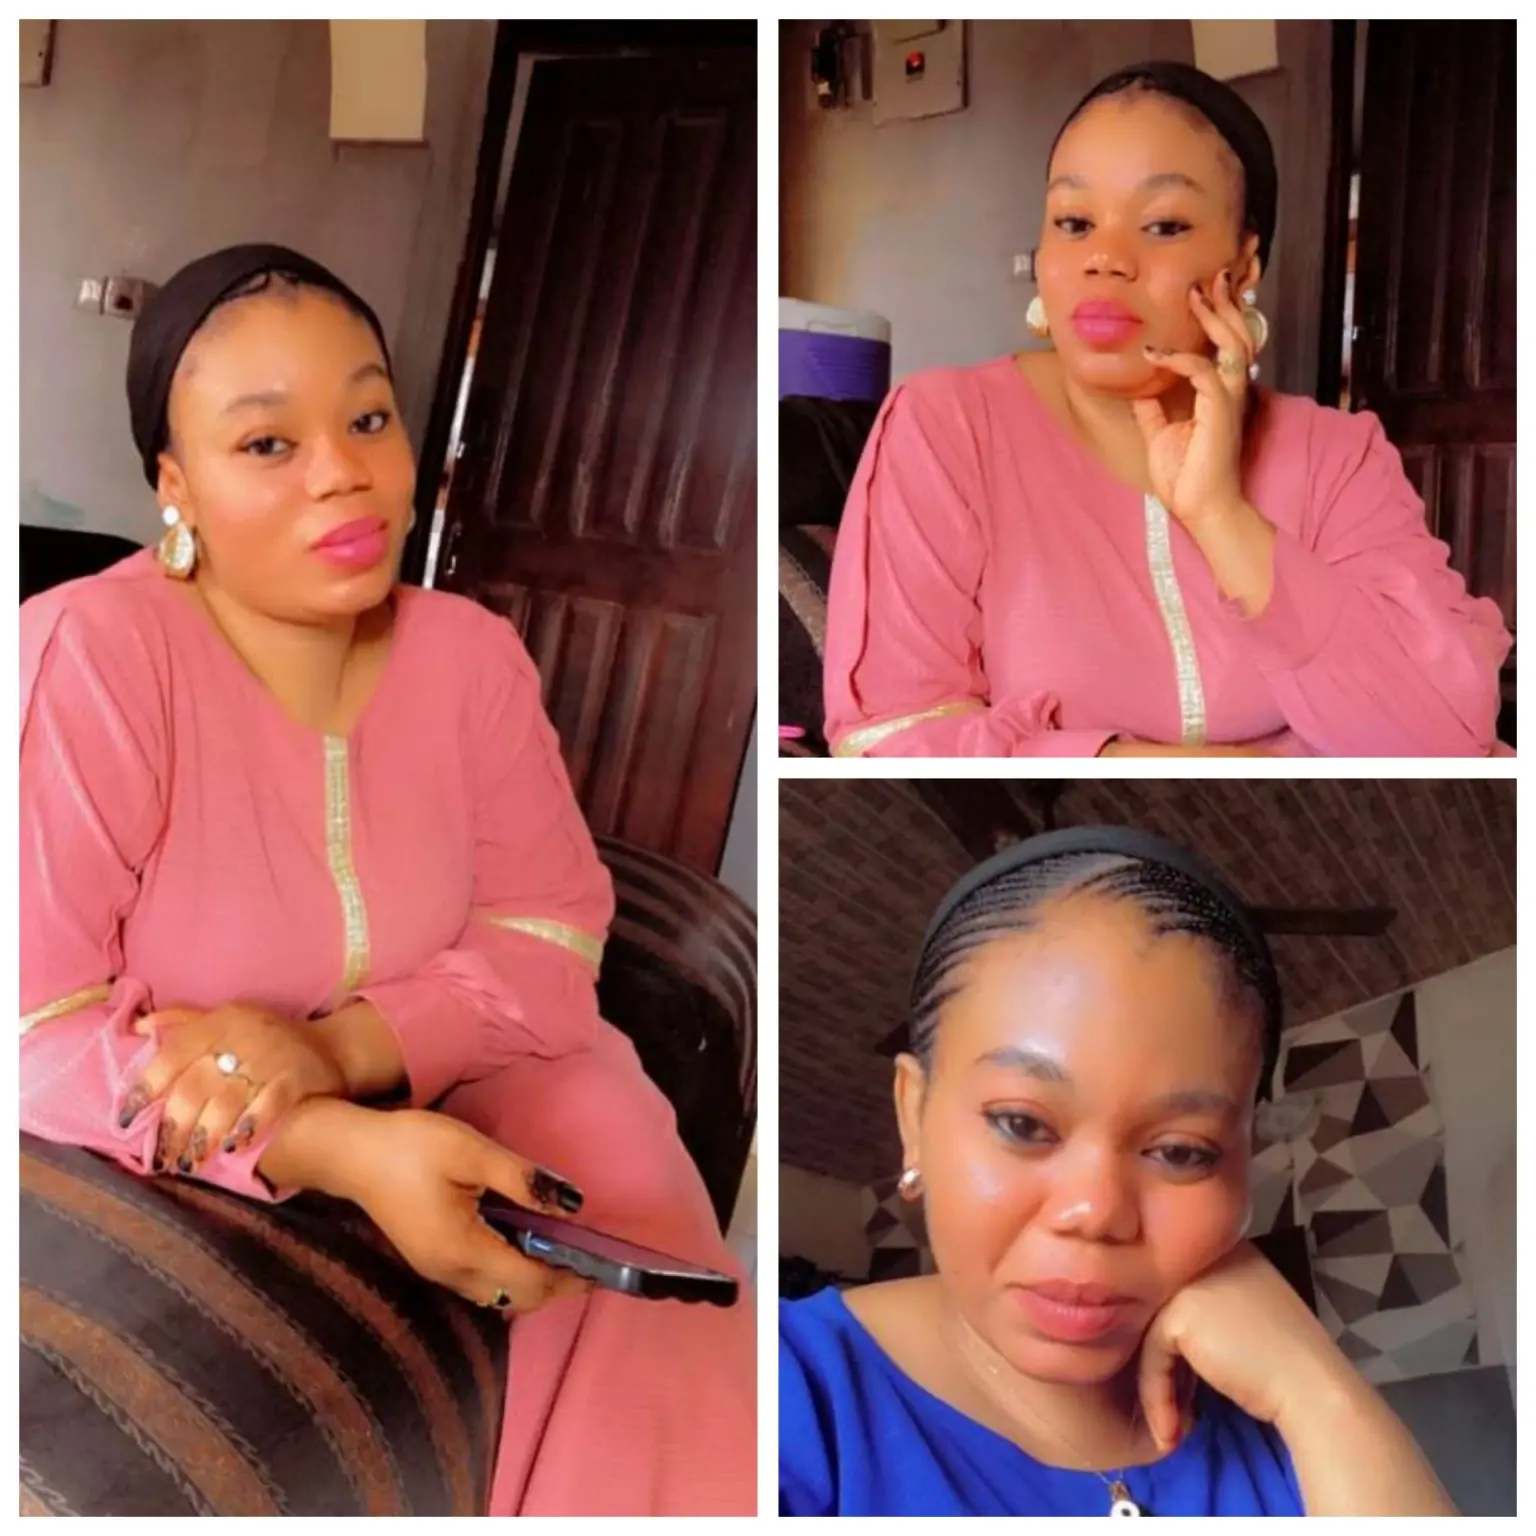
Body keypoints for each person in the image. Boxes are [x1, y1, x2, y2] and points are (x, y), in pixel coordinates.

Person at [20, 245, 754, 1516]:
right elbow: (32, 1025)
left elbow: (550, 935)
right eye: (267, 443)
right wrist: (324, 1141)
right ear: (174, 483)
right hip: (222, 1131)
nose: (342, 471)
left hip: (510, 1078)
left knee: (639, 1220)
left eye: (368, 419)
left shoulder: (471, 657)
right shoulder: (92, 654)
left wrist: (335, 1049)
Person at [823, 61, 1511, 757]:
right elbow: (893, 732)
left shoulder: (1337, 456)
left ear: (1243, 268)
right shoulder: (947, 425)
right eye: (1074, 222)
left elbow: (1441, 742)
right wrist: (1202, 770)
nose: (1105, 258)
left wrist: (1223, 518)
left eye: (1163, 225)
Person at [779, 828, 1458, 1516]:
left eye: (1182, 1151)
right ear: (912, 1115)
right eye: (1022, 1124)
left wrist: (1317, 1388)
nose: (1097, 1211)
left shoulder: (1287, 1426)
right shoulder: (785, 1394)